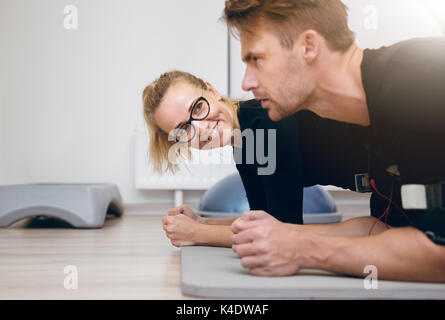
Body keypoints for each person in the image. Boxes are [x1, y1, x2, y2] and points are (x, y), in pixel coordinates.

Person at [223, 0, 445, 282]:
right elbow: (386, 230)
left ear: (309, 47)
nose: (246, 83)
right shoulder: (366, 123)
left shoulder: (415, 80)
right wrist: (285, 233)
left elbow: (438, 251)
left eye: (257, 59)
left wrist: (303, 250)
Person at [142, 70, 370, 248]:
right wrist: (203, 222)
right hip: (379, 184)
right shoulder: (243, 143)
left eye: (198, 107)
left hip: (393, 167)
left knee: (375, 232)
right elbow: (264, 220)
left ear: (211, 91)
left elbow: (280, 231)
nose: (200, 128)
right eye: (183, 129)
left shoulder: (264, 124)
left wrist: (197, 234)